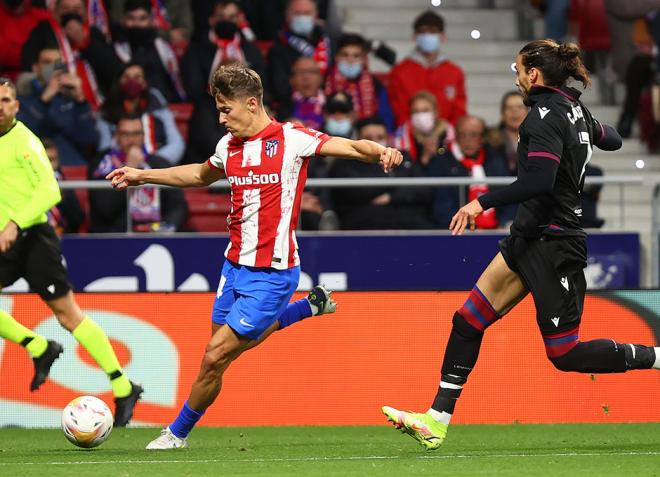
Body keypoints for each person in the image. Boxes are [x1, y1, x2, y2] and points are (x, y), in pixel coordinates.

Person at [105, 63, 402, 448]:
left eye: (226, 109)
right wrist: (143, 175)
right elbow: (197, 175)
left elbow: (349, 147)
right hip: (233, 266)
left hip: (273, 273)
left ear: (251, 103)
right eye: (218, 109)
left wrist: (382, 150)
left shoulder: (292, 139)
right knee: (223, 356)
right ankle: (308, 308)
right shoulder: (227, 147)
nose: (221, 118)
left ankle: (175, 433)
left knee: (214, 357)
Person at [381, 40, 660, 450]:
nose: (516, 77)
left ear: (534, 74)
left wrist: (481, 201)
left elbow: (540, 182)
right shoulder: (572, 110)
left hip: (555, 243)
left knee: (564, 354)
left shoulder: (542, 118)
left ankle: (657, 358)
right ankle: (436, 420)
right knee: (467, 319)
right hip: (527, 238)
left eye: (518, 70)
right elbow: (614, 140)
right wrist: (583, 122)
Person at [0, 77, 142, 427]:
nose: (0, 106)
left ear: (17, 106)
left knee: (67, 315)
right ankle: (38, 347)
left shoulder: (25, 142)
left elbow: (50, 190)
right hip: (4, 239)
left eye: (5, 100)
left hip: (32, 239)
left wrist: (15, 222)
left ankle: (123, 386)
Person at [330, 116, 433, 230]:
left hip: (409, 222)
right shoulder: (346, 162)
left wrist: (392, 196)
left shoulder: (402, 157)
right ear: (358, 140)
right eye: (369, 138)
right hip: (364, 225)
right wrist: (399, 186)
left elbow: (424, 190)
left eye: (380, 137)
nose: (375, 142)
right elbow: (357, 192)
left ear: (388, 138)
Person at [89, 114, 188, 233]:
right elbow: (105, 208)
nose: (131, 140)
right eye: (125, 134)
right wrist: (129, 168)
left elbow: (178, 205)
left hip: (156, 233)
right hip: (116, 235)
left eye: (136, 134)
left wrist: (166, 227)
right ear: (116, 136)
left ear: (143, 136)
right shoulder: (101, 164)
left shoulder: (159, 163)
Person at [426, 115, 515, 229]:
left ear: (482, 138)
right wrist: (468, 228)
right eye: (463, 135)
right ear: (456, 137)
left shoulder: (495, 159)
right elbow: (442, 206)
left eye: (473, 135)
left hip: (496, 230)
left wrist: (504, 223)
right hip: (459, 232)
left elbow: (508, 196)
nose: (468, 140)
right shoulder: (441, 162)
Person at [17, 44, 99, 166]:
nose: (53, 68)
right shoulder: (23, 99)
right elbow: (22, 136)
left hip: (71, 168)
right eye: (47, 62)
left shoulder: (74, 101)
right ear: (36, 68)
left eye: (57, 63)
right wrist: (44, 100)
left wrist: (80, 100)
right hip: (33, 166)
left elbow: (89, 139)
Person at [388, 10, 467, 127]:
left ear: (442, 36)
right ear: (414, 37)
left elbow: (459, 109)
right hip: (411, 137)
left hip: (446, 136)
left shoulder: (455, 72)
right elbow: (398, 110)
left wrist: (445, 133)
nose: (428, 36)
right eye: (423, 32)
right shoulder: (399, 72)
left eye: (433, 31)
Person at [97, 62, 184, 165]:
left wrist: (149, 164)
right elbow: (104, 148)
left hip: (156, 168)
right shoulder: (108, 109)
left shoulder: (155, 102)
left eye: (137, 77)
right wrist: (127, 164)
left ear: (144, 82)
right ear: (119, 81)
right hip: (118, 167)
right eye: (126, 77)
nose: (132, 81)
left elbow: (177, 144)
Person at [112, 0, 187, 103]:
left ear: (151, 21)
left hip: (164, 106)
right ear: (123, 20)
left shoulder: (162, 48)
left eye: (142, 19)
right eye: (131, 18)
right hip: (129, 107)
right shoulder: (116, 50)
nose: (137, 24)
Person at [324, 33, 394, 131]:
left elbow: (386, 117)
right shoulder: (324, 81)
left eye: (356, 56)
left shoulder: (375, 84)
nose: (350, 60)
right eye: (345, 55)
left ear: (363, 59)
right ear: (336, 57)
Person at [267, 0, 332, 106]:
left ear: (316, 16)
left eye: (307, 13)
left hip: (325, 105)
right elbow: (279, 87)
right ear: (287, 16)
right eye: (297, 13)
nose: (302, 18)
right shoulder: (278, 48)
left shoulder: (328, 43)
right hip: (290, 107)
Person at [393, 91, 454, 167]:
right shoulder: (403, 135)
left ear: (436, 112)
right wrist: (424, 159)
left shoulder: (449, 133)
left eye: (425, 110)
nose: (420, 116)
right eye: (416, 111)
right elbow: (403, 170)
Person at [486, 90, 528, 175]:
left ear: (528, 112)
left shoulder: (538, 140)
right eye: (509, 108)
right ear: (502, 114)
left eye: (520, 107)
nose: (515, 112)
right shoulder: (489, 142)